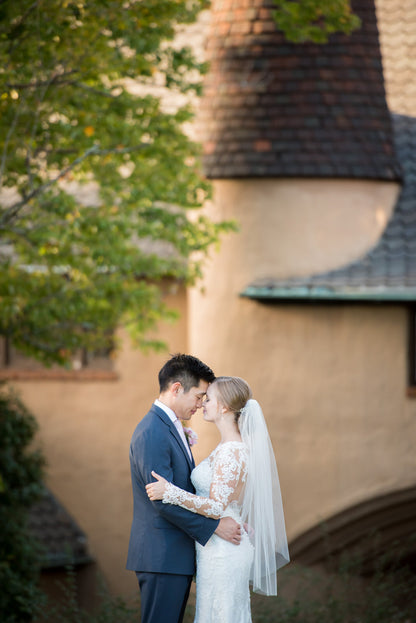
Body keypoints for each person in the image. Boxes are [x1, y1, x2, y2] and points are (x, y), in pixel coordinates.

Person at [146, 376, 290, 623]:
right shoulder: (227, 447)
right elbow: (225, 502)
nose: (203, 404)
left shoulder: (232, 451)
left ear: (224, 407)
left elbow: (215, 506)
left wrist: (169, 492)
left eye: (208, 398)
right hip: (216, 546)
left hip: (224, 552)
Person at [126, 355, 242, 623]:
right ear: (177, 388)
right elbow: (161, 499)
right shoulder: (153, 431)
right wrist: (213, 527)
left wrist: (231, 517)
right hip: (161, 556)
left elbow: (181, 491)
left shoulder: (171, 427)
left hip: (172, 555)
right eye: (199, 396)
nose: (201, 404)